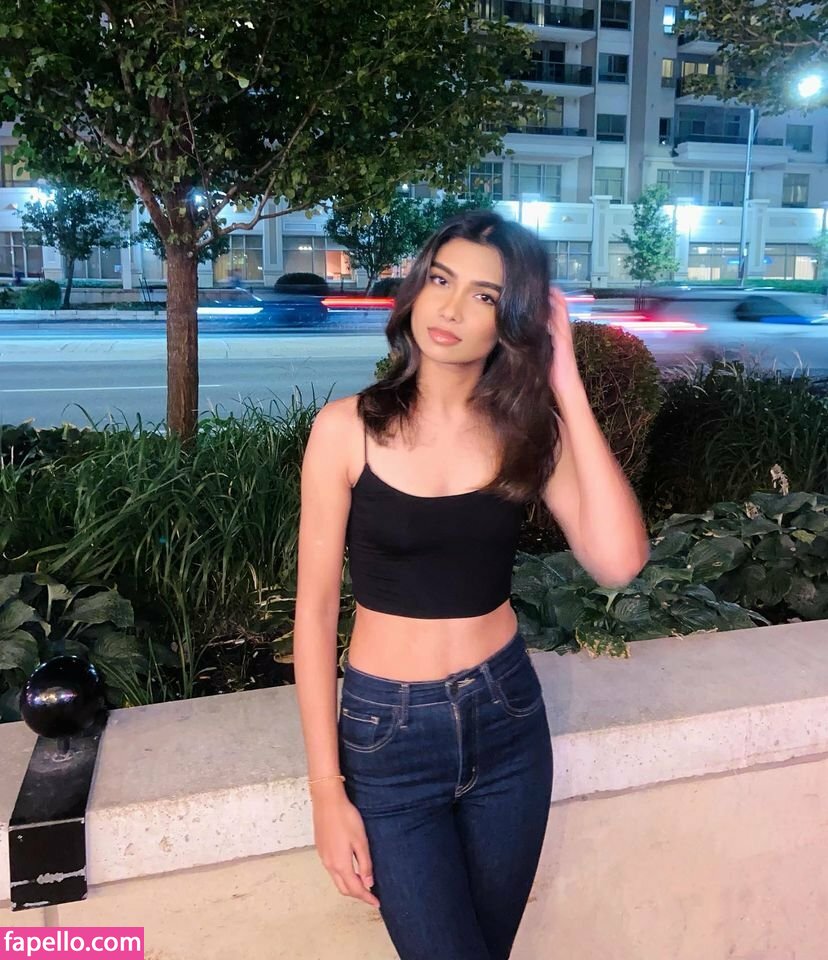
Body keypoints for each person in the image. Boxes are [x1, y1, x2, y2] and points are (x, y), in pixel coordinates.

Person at [294, 210, 649, 960]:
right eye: (441, 280)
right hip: (388, 734)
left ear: (511, 320)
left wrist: (565, 383)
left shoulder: (527, 434)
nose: (451, 309)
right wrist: (326, 791)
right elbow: (316, 613)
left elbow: (619, 562)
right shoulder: (345, 429)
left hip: (508, 719)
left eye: (484, 296)